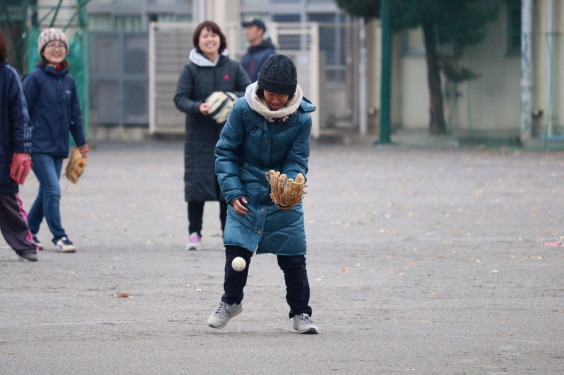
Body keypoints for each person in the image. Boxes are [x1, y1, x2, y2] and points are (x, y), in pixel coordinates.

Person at [209, 54, 319, 334]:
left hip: (282, 196)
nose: (276, 100)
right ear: (260, 88)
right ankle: (231, 302)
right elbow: (226, 152)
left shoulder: (302, 118)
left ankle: (301, 313)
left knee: (293, 257)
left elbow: (298, 158)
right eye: (271, 93)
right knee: (236, 251)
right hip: (245, 191)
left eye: (282, 95)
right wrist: (232, 192)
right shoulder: (243, 110)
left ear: (292, 92)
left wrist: (293, 182)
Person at [174, 20, 251, 251]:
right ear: (198, 42)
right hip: (198, 138)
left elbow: (248, 92)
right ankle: (194, 233)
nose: (210, 39)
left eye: (214, 35)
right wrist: (199, 107)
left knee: (225, 185)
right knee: (196, 187)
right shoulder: (190, 69)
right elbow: (180, 98)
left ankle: (228, 233)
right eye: (205, 36)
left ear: (221, 39)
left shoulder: (233, 66)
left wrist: (230, 99)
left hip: (229, 137)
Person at [23, 28, 88, 253]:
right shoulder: (34, 78)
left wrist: (81, 143)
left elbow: (75, 116)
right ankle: (59, 237)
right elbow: (22, 113)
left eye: (61, 45)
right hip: (37, 146)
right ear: (42, 50)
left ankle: (27, 232)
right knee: (53, 189)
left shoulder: (68, 81)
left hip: (59, 145)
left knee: (46, 191)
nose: (57, 49)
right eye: (52, 45)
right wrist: (23, 143)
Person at [0, 29, 38, 262]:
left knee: (7, 200)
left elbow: (20, 117)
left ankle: (25, 245)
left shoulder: (8, 75)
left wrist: (22, 150)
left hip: (3, 154)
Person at [240, 17, 276, 82]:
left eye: (250, 28)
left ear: (260, 31)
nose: (247, 31)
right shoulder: (246, 55)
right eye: (246, 28)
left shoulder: (269, 54)